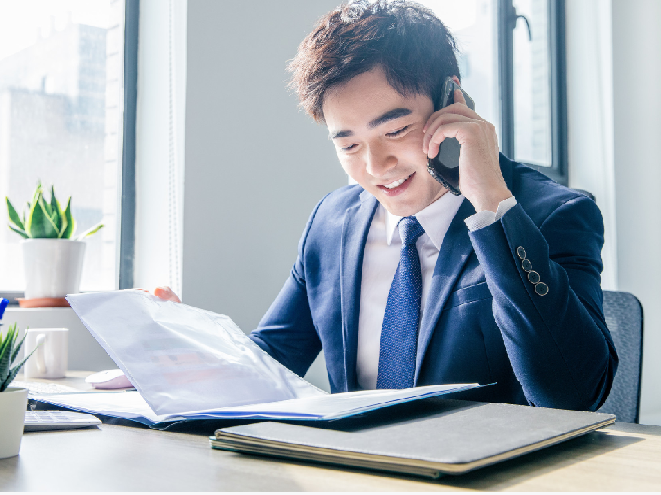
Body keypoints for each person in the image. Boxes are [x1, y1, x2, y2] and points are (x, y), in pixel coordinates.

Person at [157, 0, 617, 411]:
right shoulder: (332, 222)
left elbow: (572, 394)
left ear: (451, 99)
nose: (377, 166)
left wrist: (492, 206)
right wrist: (187, 349)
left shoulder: (549, 215)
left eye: (395, 131)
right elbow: (271, 359)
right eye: (349, 144)